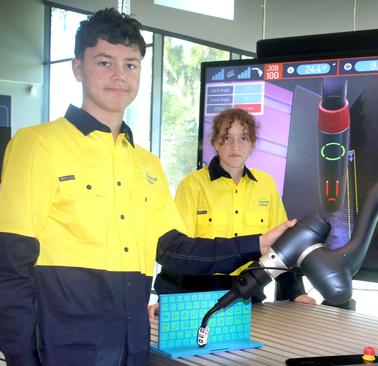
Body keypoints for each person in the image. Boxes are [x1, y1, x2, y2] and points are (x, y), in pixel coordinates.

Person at [0, 9, 294, 366]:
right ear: (78, 68)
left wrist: (257, 244)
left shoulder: (147, 164)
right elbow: (9, 263)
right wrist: (20, 356)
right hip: (60, 346)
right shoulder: (37, 144)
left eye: (131, 65)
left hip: (130, 343)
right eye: (105, 62)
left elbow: (175, 250)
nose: (119, 76)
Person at [152, 108, 315, 315]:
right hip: (198, 296)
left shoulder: (266, 185)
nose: (235, 146)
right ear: (215, 143)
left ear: (252, 145)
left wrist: (295, 293)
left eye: (243, 138)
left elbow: (281, 248)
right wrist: (165, 298)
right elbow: (179, 250)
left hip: (250, 296)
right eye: (226, 138)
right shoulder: (192, 185)